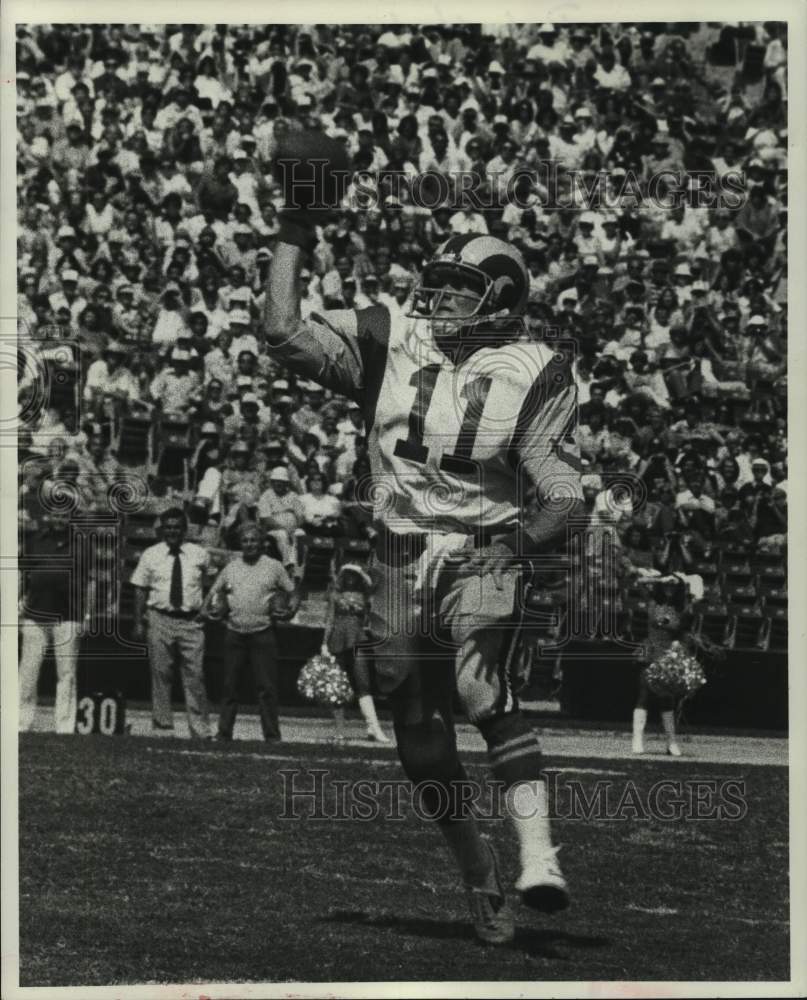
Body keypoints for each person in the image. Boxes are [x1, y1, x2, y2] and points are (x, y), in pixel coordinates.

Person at [264, 165, 583, 946]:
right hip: (400, 550)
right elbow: (281, 331)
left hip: (484, 545)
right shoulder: (391, 340)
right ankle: (479, 874)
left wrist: (519, 540)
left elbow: (565, 495)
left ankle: (540, 858)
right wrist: (292, 236)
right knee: (417, 726)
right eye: (435, 284)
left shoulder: (538, 369)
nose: (435, 299)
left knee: (478, 687)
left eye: (456, 287)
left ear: (501, 303)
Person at [202, 523, 297, 741]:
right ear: (240, 544)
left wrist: (291, 611)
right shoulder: (232, 567)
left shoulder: (274, 566)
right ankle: (224, 733)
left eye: (254, 540)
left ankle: (272, 736)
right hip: (234, 633)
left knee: (267, 688)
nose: (249, 544)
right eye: (245, 540)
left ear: (262, 542)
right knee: (229, 687)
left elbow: (293, 592)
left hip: (262, 633)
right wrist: (207, 610)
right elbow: (213, 592)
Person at [129, 507, 213, 738]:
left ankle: (200, 729)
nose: (172, 531)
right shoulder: (151, 554)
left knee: (195, 675)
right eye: (168, 527)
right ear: (161, 530)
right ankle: (162, 727)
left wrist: (207, 609)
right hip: (159, 619)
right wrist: (138, 622)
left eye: (177, 527)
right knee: (161, 674)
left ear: (185, 530)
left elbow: (212, 584)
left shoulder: (199, 554)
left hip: (191, 622)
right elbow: (139, 589)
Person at [18, 511, 95, 733]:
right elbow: (23, 575)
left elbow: (91, 582)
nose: (60, 520)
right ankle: (21, 723)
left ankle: (64, 726)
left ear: (72, 517)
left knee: (67, 673)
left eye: (65, 516)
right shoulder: (35, 541)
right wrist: (16, 604)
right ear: (48, 516)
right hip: (34, 614)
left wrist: (88, 615)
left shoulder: (83, 544)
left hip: (69, 617)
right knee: (28, 671)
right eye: (56, 515)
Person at [321, 562, 389, 743]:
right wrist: (324, 644)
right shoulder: (335, 595)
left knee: (363, 682)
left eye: (354, 575)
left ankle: (373, 727)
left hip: (359, 639)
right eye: (348, 575)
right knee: (337, 686)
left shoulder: (366, 597)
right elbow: (329, 619)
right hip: (337, 640)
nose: (350, 578)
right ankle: (339, 730)